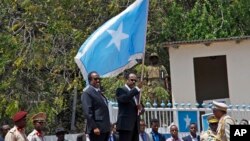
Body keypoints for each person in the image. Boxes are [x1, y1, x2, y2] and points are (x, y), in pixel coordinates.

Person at [81, 71, 110, 141]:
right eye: (95, 79)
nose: (98, 80)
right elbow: (88, 112)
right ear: (90, 80)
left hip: (105, 129)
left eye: (99, 79)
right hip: (97, 129)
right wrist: (94, 127)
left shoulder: (99, 92)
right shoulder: (87, 93)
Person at [116, 73, 144, 141]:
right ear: (127, 80)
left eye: (135, 80)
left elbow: (142, 108)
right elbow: (125, 99)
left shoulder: (137, 93)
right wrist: (137, 88)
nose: (134, 82)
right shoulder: (120, 90)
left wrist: (141, 109)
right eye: (132, 80)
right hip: (125, 126)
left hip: (135, 126)